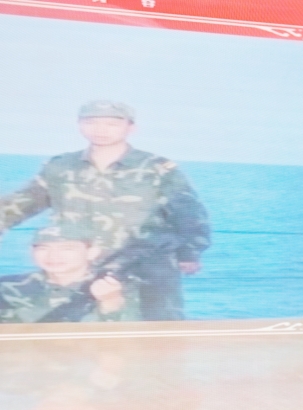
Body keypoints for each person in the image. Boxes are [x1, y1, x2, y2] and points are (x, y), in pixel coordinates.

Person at [0, 100, 210, 321]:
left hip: (146, 264)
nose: (100, 130)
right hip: (79, 266)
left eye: (112, 124)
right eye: (91, 122)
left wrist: (190, 252)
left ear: (131, 128)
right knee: (72, 324)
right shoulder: (60, 166)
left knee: (159, 326)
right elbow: (24, 202)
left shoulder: (155, 168)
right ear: (79, 125)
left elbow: (188, 210)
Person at [0, 225, 139, 323]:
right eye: (43, 248)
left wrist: (111, 303)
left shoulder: (121, 287)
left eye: (67, 249)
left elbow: (133, 341)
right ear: (32, 252)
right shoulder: (7, 288)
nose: (53, 256)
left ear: (92, 252)